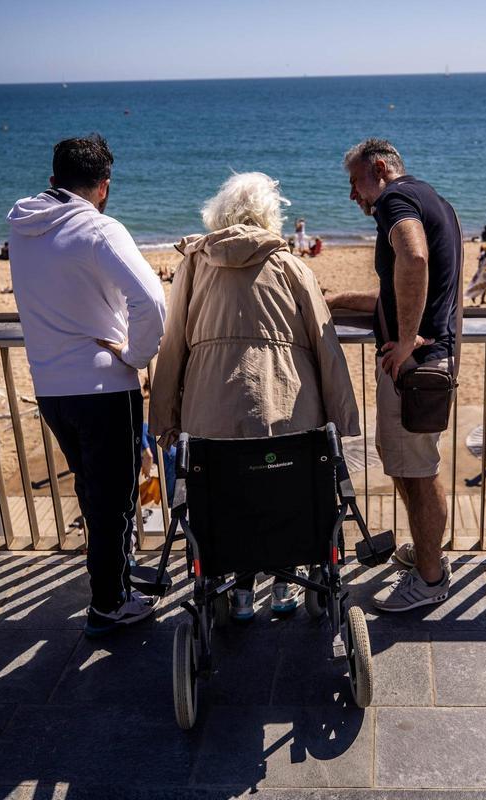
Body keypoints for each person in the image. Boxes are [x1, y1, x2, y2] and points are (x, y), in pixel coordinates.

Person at [149, 172, 359, 621]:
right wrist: (343, 416)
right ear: (271, 215)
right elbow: (326, 346)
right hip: (287, 408)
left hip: (210, 413)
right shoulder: (290, 266)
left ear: (218, 214)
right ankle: (285, 583)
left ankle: (239, 591)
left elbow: (172, 346)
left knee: (227, 495)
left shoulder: (194, 264)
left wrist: (163, 418)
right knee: (284, 489)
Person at [8, 133, 167, 637]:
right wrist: (136, 357)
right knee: (115, 498)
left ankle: (115, 577)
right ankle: (110, 603)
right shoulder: (99, 230)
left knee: (94, 493)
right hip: (102, 388)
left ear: (53, 180)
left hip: (51, 388)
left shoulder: (22, 229)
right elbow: (153, 304)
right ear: (103, 185)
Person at [326, 138, 461, 612]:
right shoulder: (431, 198)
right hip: (424, 363)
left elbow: (415, 258)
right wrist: (337, 300)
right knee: (411, 468)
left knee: (418, 475)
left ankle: (429, 579)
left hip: (415, 367)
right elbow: (397, 290)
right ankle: (429, 556)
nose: (353, 196)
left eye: (355, 182)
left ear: (379, 168)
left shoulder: (395, 199)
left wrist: (405, 341)